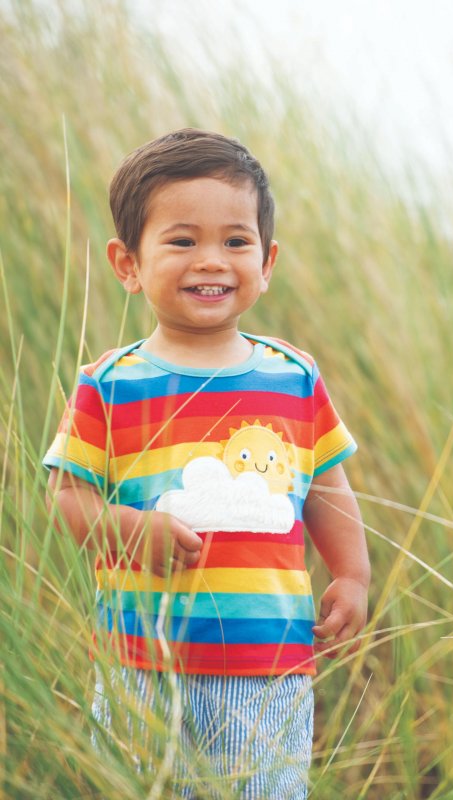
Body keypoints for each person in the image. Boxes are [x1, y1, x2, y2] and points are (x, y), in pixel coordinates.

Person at [44, 128, 370, 799]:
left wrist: (353, 574)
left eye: (235, 241)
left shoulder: (293, 376)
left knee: (263, 790)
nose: (212, 261)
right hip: (141, 661)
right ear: (127, 263)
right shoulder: (108, 383)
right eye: (183, 240)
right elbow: (68, 499)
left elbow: (326, 486)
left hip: (269, 663)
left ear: (267, 259)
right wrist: (129, 531)